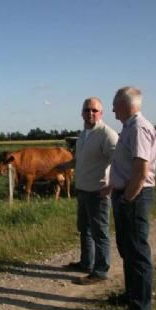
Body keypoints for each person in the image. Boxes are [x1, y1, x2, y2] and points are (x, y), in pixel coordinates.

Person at [108, 86, 156, 310]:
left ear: (127, 105)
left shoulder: (138, 128)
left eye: (115, 104)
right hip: (126, 194)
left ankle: (141, 308)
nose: (112, 109)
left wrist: (127, 199)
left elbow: (140, 171)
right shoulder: (129, 128)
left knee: (137, 250)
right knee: (127, 248)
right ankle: (131, 295)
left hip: (135, 196)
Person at [61, 97, 118, 285]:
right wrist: (59, 166)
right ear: (81, 113)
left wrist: (111, 185)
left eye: (94, 110)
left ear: (101, 113)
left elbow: (119, 161)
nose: (90, 113)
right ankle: (86, 263)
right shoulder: (84, 134)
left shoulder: (107, 134)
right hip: (83, 190)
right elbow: (78, 160)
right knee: (84, 229)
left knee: (99, 232)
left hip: (98, 192)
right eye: (87, 110)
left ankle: (100, 271)